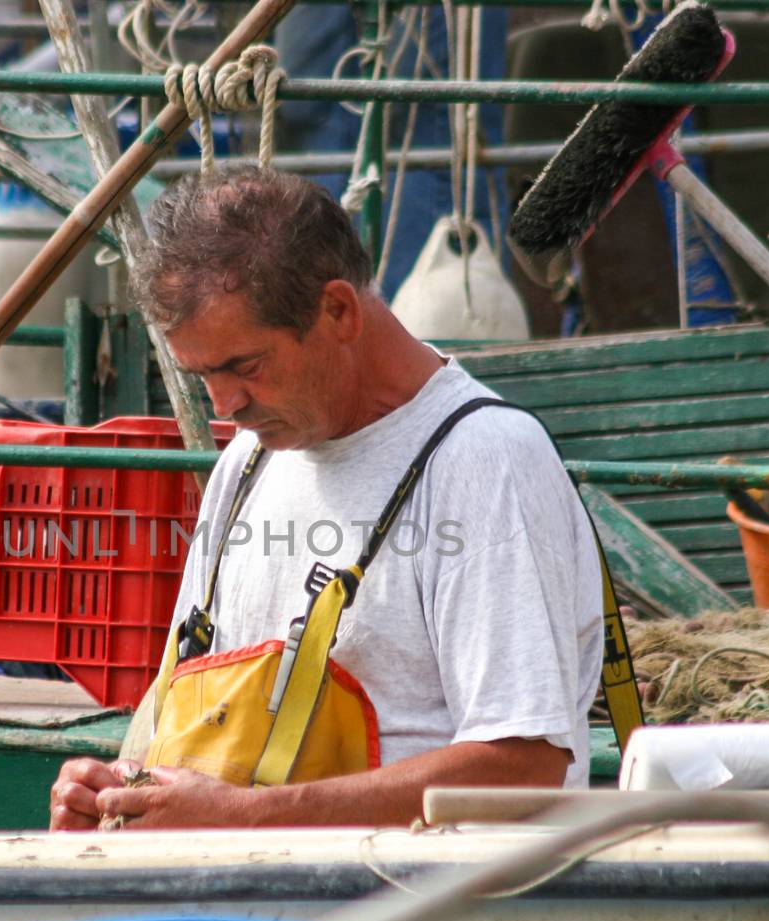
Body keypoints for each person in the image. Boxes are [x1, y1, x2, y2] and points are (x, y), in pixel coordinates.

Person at [48, 168, 602, 831]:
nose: (224, 405)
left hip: (423, 915)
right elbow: (187, 725)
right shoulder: (246, 462)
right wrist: (113, 795)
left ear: (338, 310)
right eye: (203, 377)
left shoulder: (484, 460)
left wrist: (247, 818)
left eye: (245, 367)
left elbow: (525, 765)